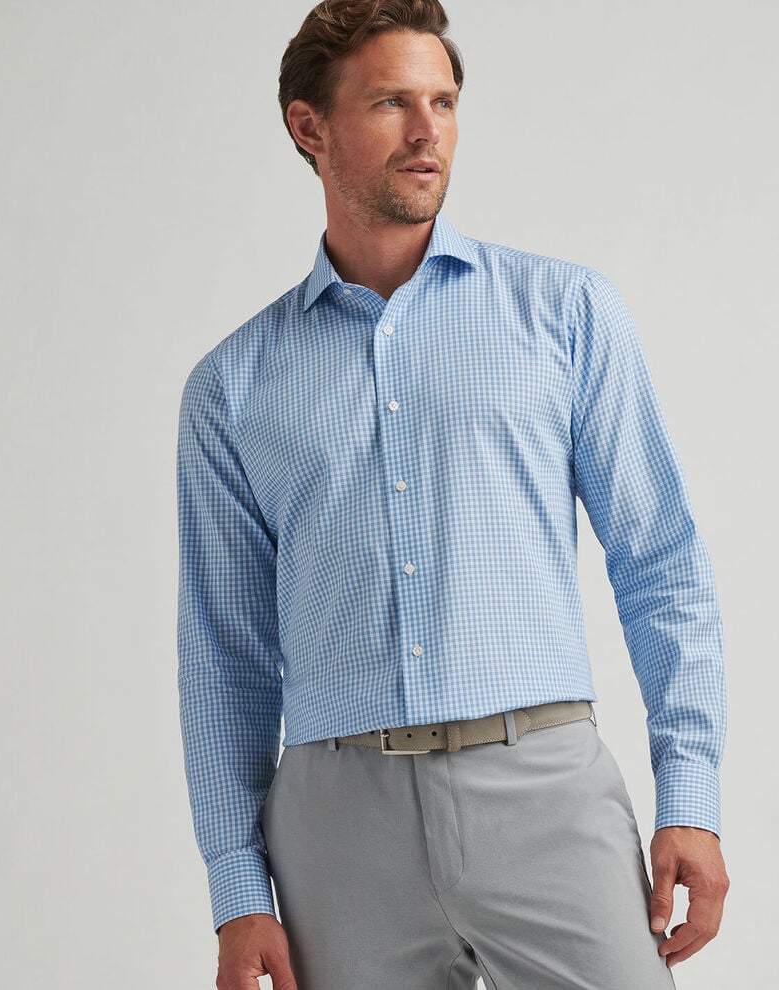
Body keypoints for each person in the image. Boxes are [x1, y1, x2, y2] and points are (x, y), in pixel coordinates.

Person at [175, 1, 729, 987]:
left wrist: (690, 796)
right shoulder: (234, 385)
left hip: (545, 795)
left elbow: (660, 560)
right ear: (309, 126)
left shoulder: (564, 314)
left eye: (443, 101)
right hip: (337, 833)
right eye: (391, 102)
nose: (427, 131)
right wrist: (238, 888)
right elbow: (226, 656)